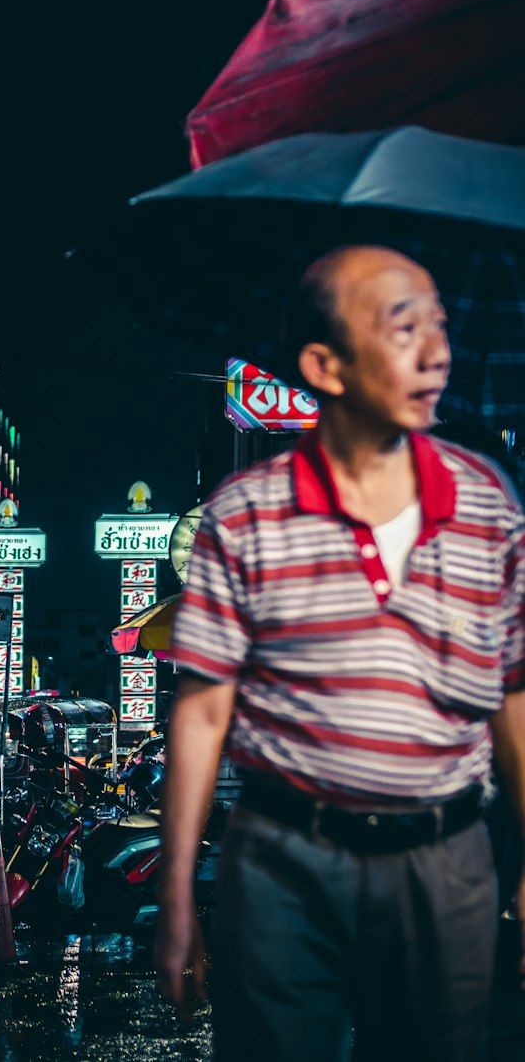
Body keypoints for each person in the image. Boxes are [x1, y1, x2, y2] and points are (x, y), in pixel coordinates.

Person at [154, 245, 525, 1062]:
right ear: (324, 363)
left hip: (448, 855)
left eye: (438, 327)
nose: (435, 352)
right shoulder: (245, 514)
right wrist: (177, 893)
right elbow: (203, 708)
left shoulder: (488, 503)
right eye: (403, 329)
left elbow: (512, 697)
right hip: (287, 855)